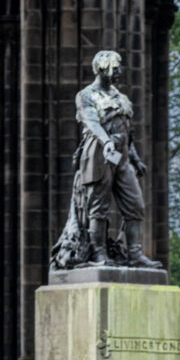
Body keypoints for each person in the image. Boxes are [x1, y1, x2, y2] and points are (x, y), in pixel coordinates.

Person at [51, 49, 161, 270]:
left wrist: (134, 158)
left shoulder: (122, 98)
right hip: (98, 152)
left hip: (120, 156)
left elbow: (127, 131)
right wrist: (106, 141)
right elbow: (91, 122)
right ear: (103, 69)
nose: (120, 71)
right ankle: (98, 254)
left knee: (136, 205)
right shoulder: (86, 95)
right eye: (116, 68)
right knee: (98, 207)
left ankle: (135, 254)